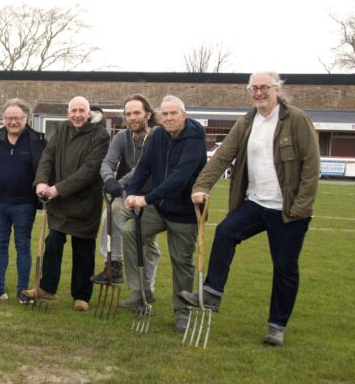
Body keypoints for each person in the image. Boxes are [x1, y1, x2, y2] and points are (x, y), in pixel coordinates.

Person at [180, 71, 320, 346]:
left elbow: (311, 166)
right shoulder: (246, 122)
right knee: (226, 232)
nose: (258, 92)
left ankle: (276, 327)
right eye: (253, 88)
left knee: (284, 268)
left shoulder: (297, 120)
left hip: (288, 210)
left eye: (263, 87)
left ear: (276, 89)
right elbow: (222, 156)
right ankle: (211, 294)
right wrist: (202, 186)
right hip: (256, 203)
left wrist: (301, 207)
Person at [123, 95, 206, 332]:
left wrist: (146, 198)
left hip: (185, 212)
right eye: (165, 114)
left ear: (184, 115)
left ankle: (182, 311)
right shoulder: (158, 135)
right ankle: (141, 292)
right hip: (159, 208)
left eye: (173, 114)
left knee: (182, 261)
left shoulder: (195, 138)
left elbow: (179, 179)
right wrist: (132, 192)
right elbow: (144, 168)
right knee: (130, 232)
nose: (168, 118)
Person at [23, 96, 110, 311]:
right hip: (59, 203)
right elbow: (48, 157)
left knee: (83, 249)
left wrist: (57, 189)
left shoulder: (100, 135)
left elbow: (89, 171)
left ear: (88, 113)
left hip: (85, 202)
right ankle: (47, 288)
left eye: (82, 110)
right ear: (68, 113)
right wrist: (41, 181)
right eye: (74, 111)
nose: (78, 115)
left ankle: (81, 296)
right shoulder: (62, 129)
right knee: (53, 242)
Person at [93, 94, 161, 309]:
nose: (132, 118)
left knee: (147, 245)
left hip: (154, 197)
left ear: (148, 114)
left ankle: (145, 294)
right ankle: (113, 263)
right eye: (128, 114)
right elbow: (106, 163)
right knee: (110, 213)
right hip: (129, 196)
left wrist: (119, 182)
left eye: (137, 113)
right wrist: (108, 179)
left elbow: (142, 169)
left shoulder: (158, 135)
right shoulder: (122, 137)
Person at [0, 98, 45, 304]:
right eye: (9, 118)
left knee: (23, 245)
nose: (13, 122)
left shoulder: (37, 141)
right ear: (3, 119)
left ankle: (23, 291)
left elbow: (44, 169)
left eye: (17, 118)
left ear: (26, 118)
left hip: (24, 204)